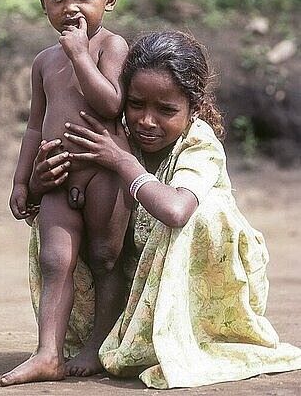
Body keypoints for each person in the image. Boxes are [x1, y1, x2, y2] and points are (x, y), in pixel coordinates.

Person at [51, 30, 301, 389]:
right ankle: (99, 336)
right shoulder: (116, 136)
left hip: (208, 287)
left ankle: (178, 337)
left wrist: (124, 164)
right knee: (63, 209)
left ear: (194, 108)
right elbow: (73, 191)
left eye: (166, 110)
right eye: (136, 104)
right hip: (139, 277)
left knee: (202, 212)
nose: (147, 121)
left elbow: (177, 211)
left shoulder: (199, 145)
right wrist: (46, 180)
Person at [0, 0, 131, 386]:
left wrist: (80, 54)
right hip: (56, 176)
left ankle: (98, 345)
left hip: (103, 175)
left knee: (105, 258)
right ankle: (48, 353)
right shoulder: (42, 62)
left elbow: (112, 104)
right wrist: (21, 180)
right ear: (43, 1)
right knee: (56, 262)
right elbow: (35, 125)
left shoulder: (112, 47)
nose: (70, 7)